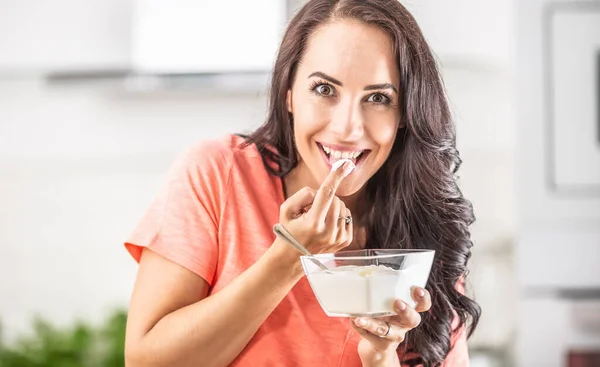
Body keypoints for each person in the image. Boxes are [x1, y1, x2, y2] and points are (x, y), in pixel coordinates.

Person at [123, 0, 481, 366]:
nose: (347, 127)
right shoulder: (217, 173)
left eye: (377, 98)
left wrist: (380, 356)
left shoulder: (427, 229)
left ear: (405, 112)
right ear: (289, 94)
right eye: (325, 90)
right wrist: (290, 255)